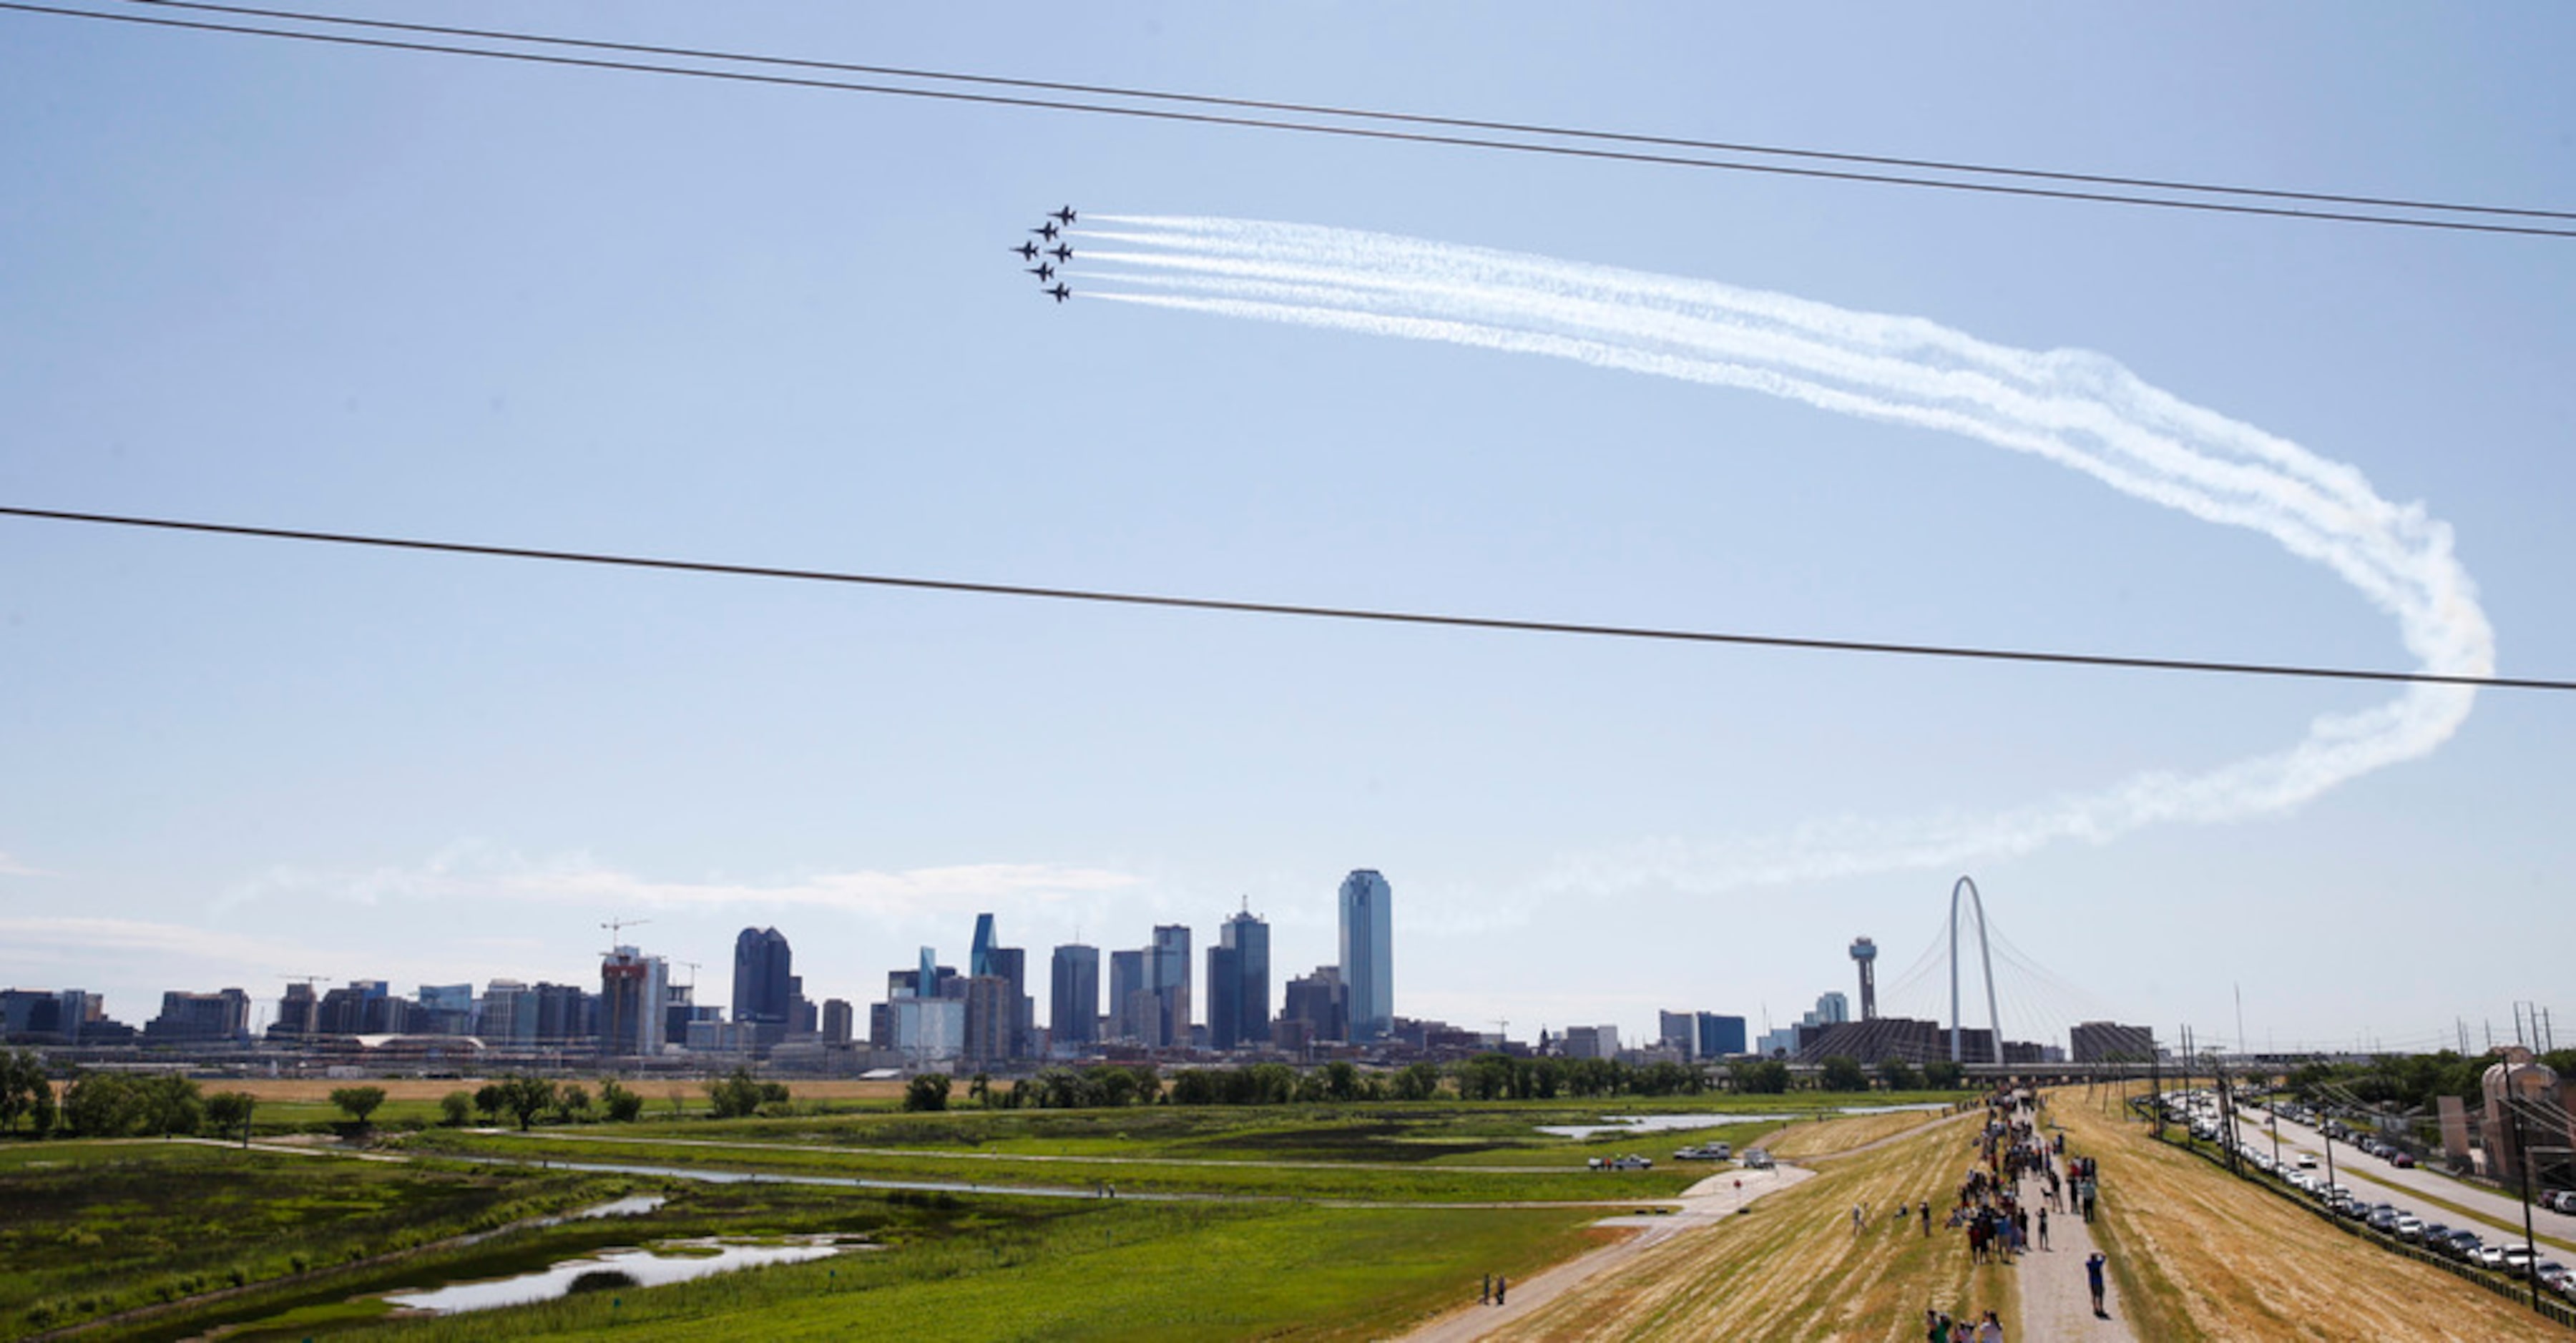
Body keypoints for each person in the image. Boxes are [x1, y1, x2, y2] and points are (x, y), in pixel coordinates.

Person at [2087, 1251, 2108, 1317]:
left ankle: (2095, 1309)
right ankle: (2100, 1310)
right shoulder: (2098, 1264)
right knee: (2100, 1296)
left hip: (2092, 1282)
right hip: (2099, 1282)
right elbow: (2104, 1258)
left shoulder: (2089, 1264)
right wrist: (2100, 1254)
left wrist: (2094, 1255)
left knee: (2094, 1296)